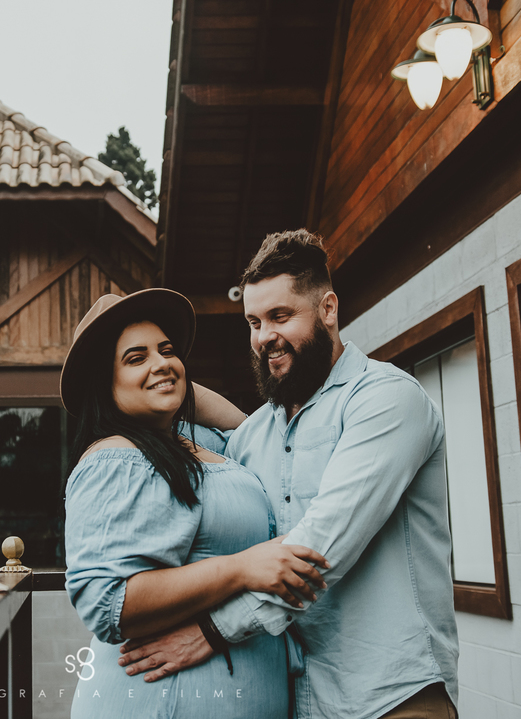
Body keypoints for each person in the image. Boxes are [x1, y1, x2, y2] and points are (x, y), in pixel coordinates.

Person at [117, 230, 459, 719]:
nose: (263, 338)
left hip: (392, 696)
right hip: (300, 698)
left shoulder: (385, 399)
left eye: (280, 316)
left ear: (328, 309)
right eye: (253, 322)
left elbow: (319, 550)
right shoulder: (256, 434)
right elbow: (195, 455)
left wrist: (211, 631)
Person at [62, 289, 328, 719]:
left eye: (167, 350)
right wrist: (242, 568)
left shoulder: (194, 445)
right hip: (161, 701)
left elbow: (255, 435)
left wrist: (162, 376)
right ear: (104, 384)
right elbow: (108, 601)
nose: (161, 362)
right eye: (135, 358)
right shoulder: (119, 457)